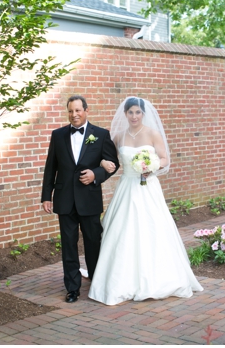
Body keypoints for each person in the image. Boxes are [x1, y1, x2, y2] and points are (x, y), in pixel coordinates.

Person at [88, 96, 202, 305]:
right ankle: (119, 278)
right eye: (130, 112)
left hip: (147, 187)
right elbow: (109, 158)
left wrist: (152, 167)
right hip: (127, 187)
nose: (134, 116)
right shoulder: (119, 137)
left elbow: (165, 158)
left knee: (153, 228)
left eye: (137, 112)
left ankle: (157, 277)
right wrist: (104, 161)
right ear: (125, 114)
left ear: (143, 114)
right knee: (122, 231)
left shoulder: (152, 133)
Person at [41, 94, 119, 303]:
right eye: (70, 111)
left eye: (77, 110)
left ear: (86, 110)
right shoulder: (57, 135)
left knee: (94, 242)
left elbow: (113, 163)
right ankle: (72, 288)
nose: (74, 115)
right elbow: (51, 168)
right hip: (64, 199)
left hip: (89, 199)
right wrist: (46, 196)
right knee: (68, 245)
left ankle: (96, 280)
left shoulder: (101, 135)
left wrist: (96, 175)